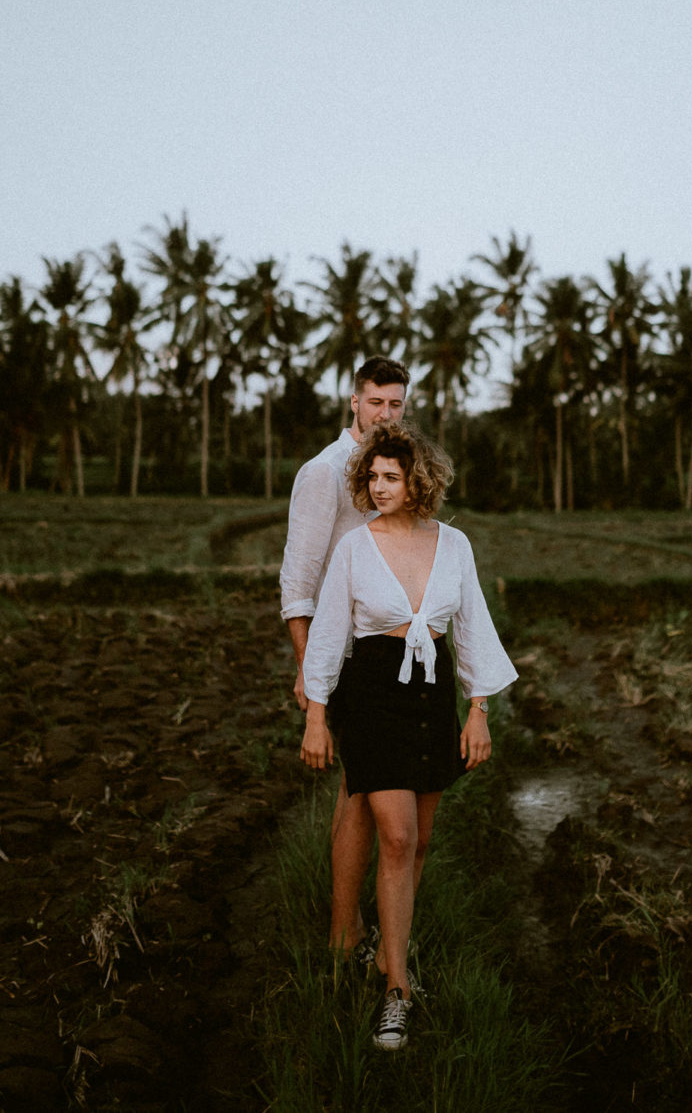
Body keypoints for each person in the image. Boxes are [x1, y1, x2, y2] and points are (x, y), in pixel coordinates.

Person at [299, 421, 517, 1052]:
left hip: (431, 697)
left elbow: (473, 625)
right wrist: (317, 716)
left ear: (418, 480)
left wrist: (478, 710)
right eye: (372, 476)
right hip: (370, 695)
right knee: (394, 834)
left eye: (391, 476)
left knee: (418, 843)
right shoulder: (355, 548)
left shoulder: (454, 545)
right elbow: (331, 634)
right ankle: (399, 992)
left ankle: (387, 954)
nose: (378, 486)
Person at [279, 356, 410, 961]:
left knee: (360, 792)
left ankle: (351, 928)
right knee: (361, 792)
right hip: (345, 657)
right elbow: (298, 585)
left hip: (389, 657)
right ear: (353, 402)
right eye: (376, 402)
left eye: (396, 404)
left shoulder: (391, 472)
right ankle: (344, 934)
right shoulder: (325, 473)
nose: (385, 413)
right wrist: (312, 677)